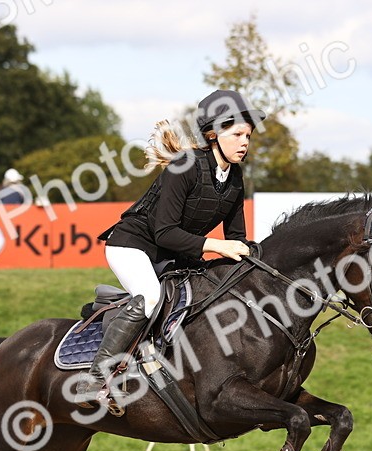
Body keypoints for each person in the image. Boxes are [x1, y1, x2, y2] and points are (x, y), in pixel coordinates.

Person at [82, 89, 265, 404]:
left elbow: (237, 237)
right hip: (133, 245)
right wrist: (218, 246)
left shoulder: (235, 177)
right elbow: (165, 232)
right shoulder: (185, 166)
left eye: (247, 136)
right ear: (213, 135)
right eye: (237, 134)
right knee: (150, 298)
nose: (244, 142)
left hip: (175, 255)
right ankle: (95, 379)